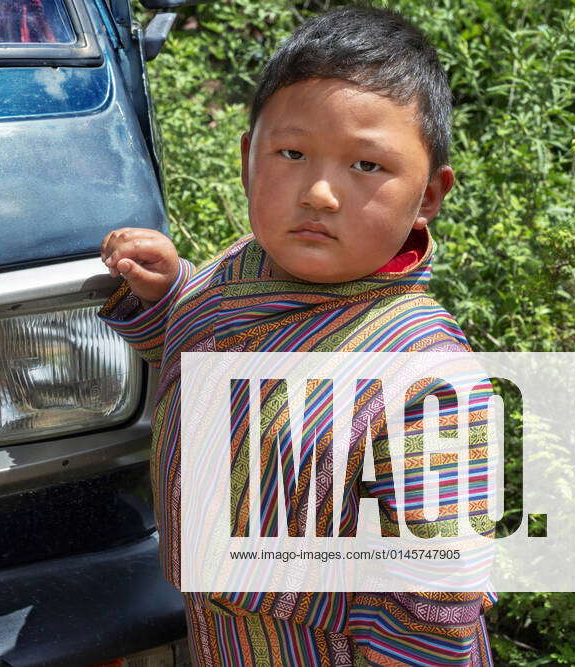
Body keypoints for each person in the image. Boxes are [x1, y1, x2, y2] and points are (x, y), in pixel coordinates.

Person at [98, 6, 495, 666]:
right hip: (223, 635)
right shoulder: (237, 271)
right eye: (291, 153)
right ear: (247, 157)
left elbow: (437, 602)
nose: (319, 193)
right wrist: (167, 293)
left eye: (367, 165)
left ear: (429, 195)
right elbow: (205, 359)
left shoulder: (424, 385)